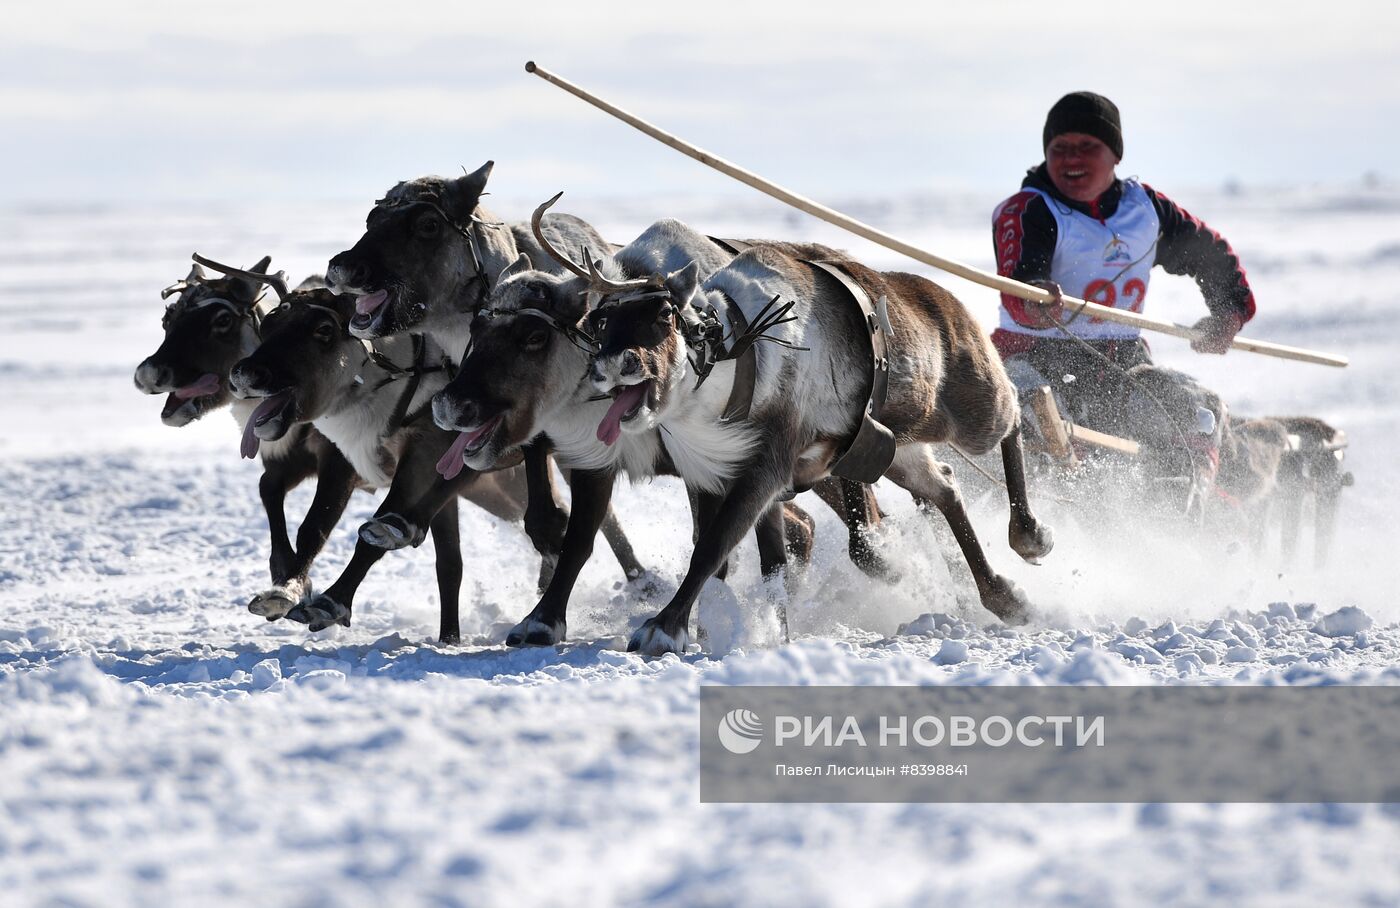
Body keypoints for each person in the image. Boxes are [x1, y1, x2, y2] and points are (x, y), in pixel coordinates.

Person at [991, 91, 1256, 436]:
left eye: (1087, 146)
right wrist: (1034, 300)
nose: (1072, 157)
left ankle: (1182, 489)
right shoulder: (1029, 209)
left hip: (1122, 362)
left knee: (1197, 417)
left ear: (1115, 154)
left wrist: (1229, 313)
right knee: (1046, 424)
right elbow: (1021, 279)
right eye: (1060, 148)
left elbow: (1210, 254)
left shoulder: (1146, 209)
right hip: (1033, 356)